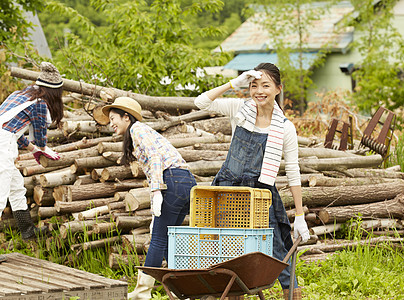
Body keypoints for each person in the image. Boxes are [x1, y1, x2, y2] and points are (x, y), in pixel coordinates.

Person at [194, 63, 310, 300]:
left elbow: (293, 171)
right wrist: (232, 84)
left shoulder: (286, 128)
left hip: (261, 194)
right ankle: (230, 294)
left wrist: (299, 215)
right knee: (226, 248)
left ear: (278, 88)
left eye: (265, 85)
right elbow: (201, 102)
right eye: (254, 85)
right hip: (228, 190)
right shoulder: (240, 109)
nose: (259, 91)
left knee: (278, 247)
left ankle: (293, 295)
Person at [102, 97, 197, 300]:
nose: (111, 123)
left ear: (126, 117)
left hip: (172, 180)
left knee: (159, 237)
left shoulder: (138, 130)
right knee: (167, 237)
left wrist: (156, 190)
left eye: (113, 118)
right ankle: (183, 291)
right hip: (184, 182)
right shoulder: (138, 132)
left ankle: (142, 293)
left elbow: (154, 156)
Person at [0, 62, 63, 240]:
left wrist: (34, 149)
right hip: (2, 145)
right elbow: (41, 137)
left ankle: (27, 230)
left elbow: (12, 130)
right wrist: (42, 149)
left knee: (16, 187)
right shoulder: (40, 103)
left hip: (5, 140)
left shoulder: (19, 95)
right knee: (0, 194)